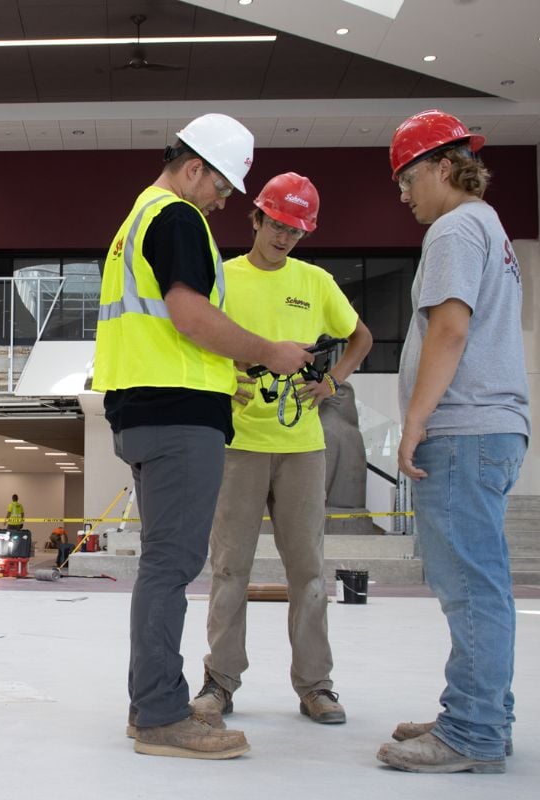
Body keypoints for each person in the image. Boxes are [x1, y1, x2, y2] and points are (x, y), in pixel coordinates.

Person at [92, 113, 314, 760]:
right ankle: (161, 714)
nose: (224, 201)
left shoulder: (136, 218)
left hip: (146, 408)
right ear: (195, 169)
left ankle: (152, 703)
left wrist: (223, 376)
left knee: (164, 563)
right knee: (171, 564)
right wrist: (268, 353)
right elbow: (190, 315)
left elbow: (164, 326)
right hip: (175, 418)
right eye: (223, 187)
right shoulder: (177, 217)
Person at [375, 109, 530, 774]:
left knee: (469, 585)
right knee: (475, 580)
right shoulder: (489, 227)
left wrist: (415, 418)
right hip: (488, 428)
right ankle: (483, 712)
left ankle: (471, 730)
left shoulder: (456, 227)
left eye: (408, 178)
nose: (403, 193)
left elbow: (450, 329)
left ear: (444, 166)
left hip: (463, 429)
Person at [190, 173, 372, 728]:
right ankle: (219, 683)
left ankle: (316, 686)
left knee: (309, 573)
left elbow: (358, 336)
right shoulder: (222, 277)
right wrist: (224, 377)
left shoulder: (315, 282)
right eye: (277, 223)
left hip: (301, 448)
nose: (285, 236)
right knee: (228, 570)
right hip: (240, 444)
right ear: (256, 218)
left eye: (296, 229)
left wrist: (333, 382)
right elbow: (195, 336)